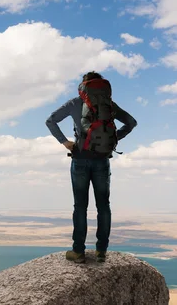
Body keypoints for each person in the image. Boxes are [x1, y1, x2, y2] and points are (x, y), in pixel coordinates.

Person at [45, 71, 137, 263]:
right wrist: (114, 139)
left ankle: (78, 251)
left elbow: (50, 120)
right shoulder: (109, 105)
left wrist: (65, 142)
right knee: (104, 206)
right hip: (102, 160)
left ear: (83, 86)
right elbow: (131, 122)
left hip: (79, 158)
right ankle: (101, 251)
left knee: (80, 206)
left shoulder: (74, 103)